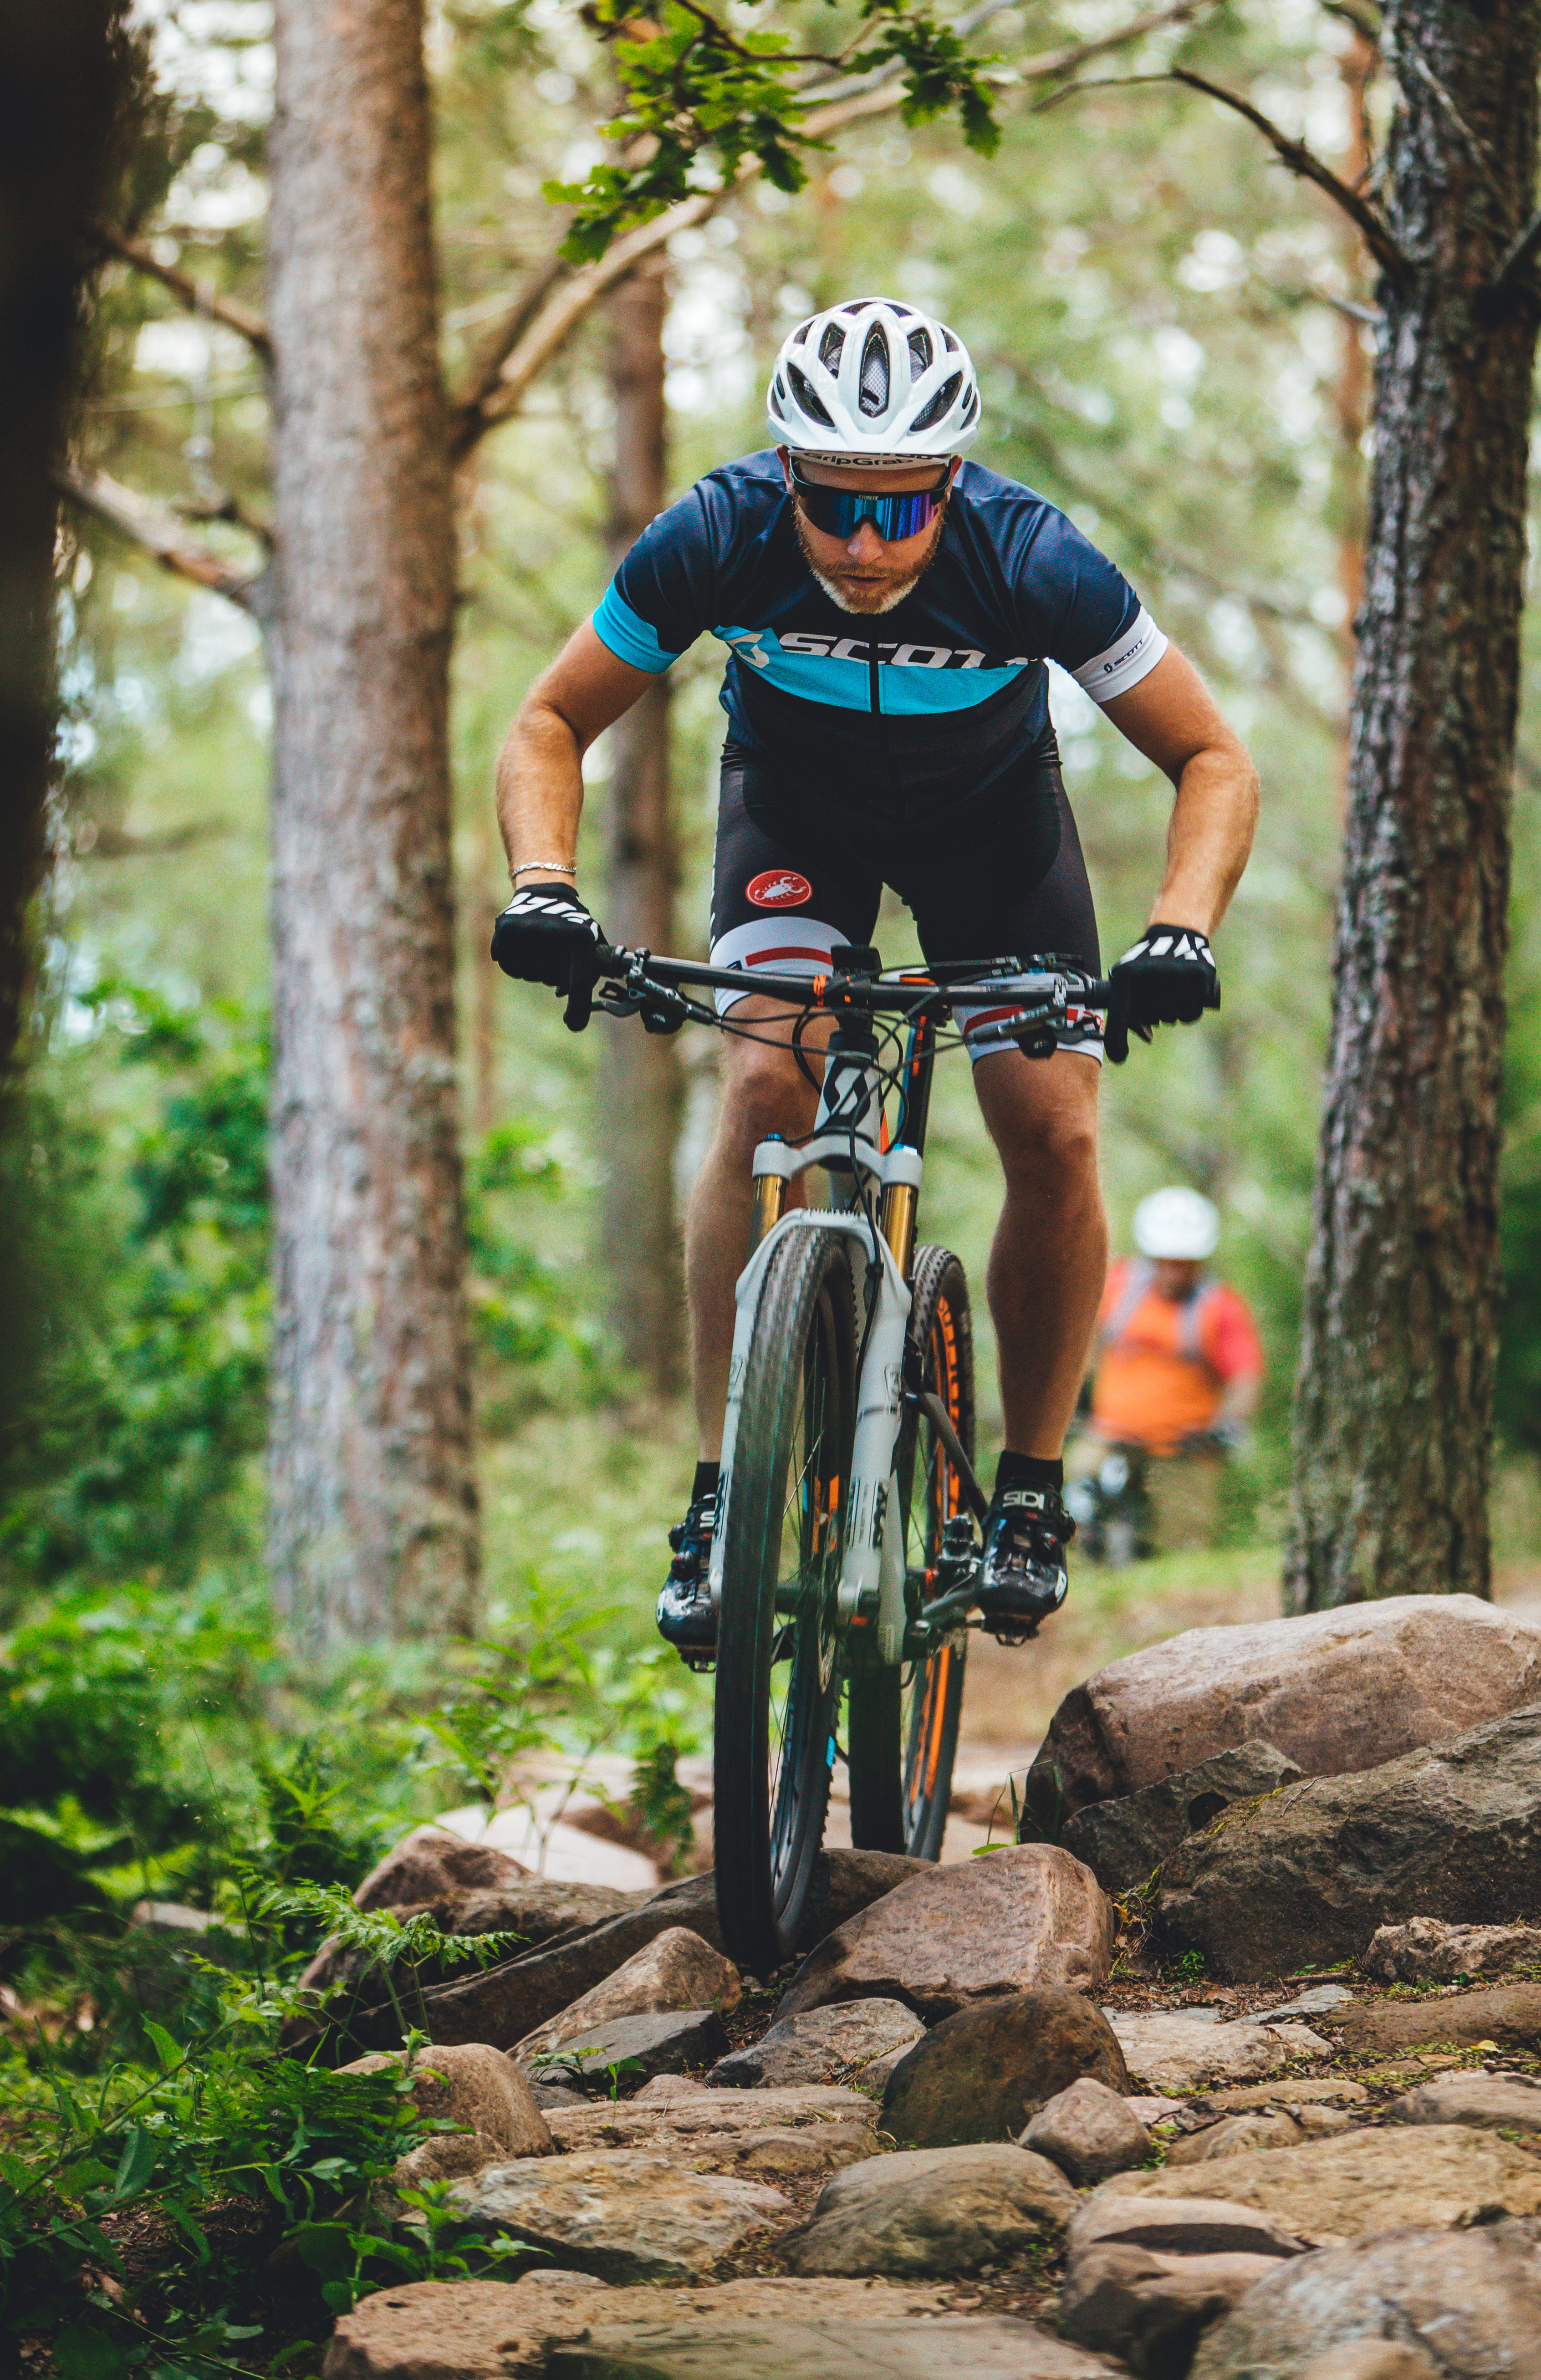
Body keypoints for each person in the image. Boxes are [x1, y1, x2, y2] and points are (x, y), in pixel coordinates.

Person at [488, 296, 1258, 1654]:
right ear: (787, 475)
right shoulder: (717, 534)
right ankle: (722, 1499)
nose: (863, 544)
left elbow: (1214, 758)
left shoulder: (1032, 559)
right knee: (763, 1085)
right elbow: (551, 719)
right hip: (798, 824)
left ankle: (1027, 1492)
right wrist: (545, 885)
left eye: (900, 511)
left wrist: (1180, 925)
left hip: (993, 839)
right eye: (834, 505)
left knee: (1055, 1125)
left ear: (951, 484)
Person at [1071, 1187, 1262, 1556]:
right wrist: (1073, 1400)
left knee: (1184, 1543)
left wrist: (1226, 1426)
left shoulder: (1220, 1308)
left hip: (1181, 1451)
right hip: (1110, 1436)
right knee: (1071, 1500)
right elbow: (1084, 1342)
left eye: (1185, 1261)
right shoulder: (1118, 1286)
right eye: (1167, 1259)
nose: (1175, 1268)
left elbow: (1245, 1379)